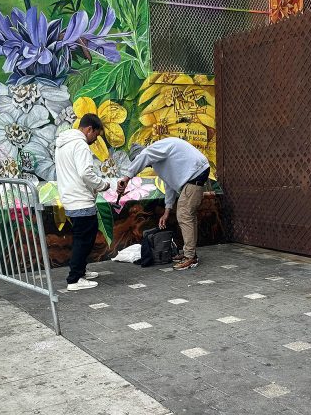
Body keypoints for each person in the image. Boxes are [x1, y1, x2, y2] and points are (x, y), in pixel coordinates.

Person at [119, 138, 210, 270]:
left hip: (195, 173)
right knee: (188, 215)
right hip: (196, 173)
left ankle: (190, 257)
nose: (147, 166)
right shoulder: (159, 160)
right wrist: (167, 211)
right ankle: (190, 253)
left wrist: (127, 177)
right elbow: (169, 185)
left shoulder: (153, 149)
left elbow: (144, 156)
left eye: (144, 164)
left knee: (184, 215)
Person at [55, 113, 111, 290]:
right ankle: (75, 279)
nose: (96, 140)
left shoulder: (63, 144)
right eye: (96, 135)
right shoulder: (80, 145)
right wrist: (102, 185)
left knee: (82, 238)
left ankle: (80, 271)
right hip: (81, 200)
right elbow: (85, 173)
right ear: (89, 129)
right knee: (84, 240)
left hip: (70, 198)